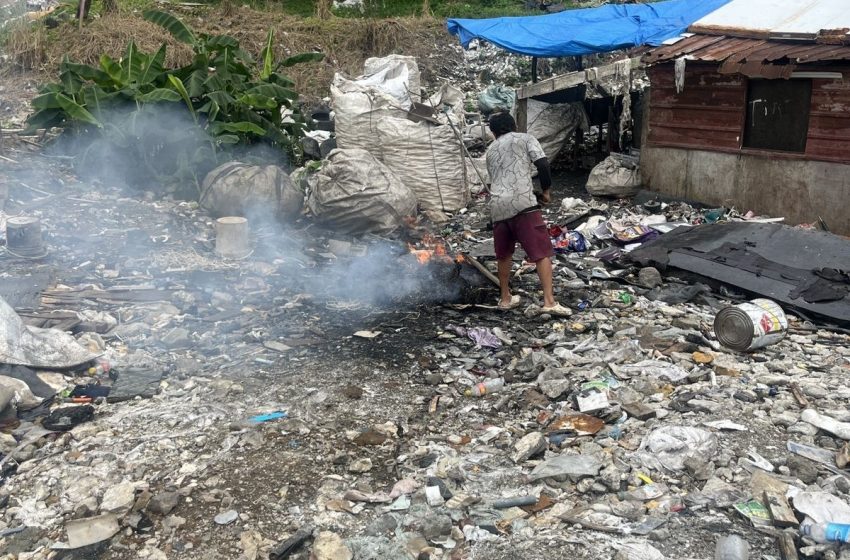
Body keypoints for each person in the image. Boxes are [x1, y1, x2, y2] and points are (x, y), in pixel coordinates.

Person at [485, 112, 571, 316]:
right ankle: (549, 302)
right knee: (541, 252)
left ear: (493, 131)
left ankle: (505, 298)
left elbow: (494, 179)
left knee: (503, 254)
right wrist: (547, 191)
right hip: (523, 203)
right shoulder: (525, 139)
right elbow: (542, 164)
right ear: (513, 125)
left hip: (498, 207)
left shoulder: (490, 151)